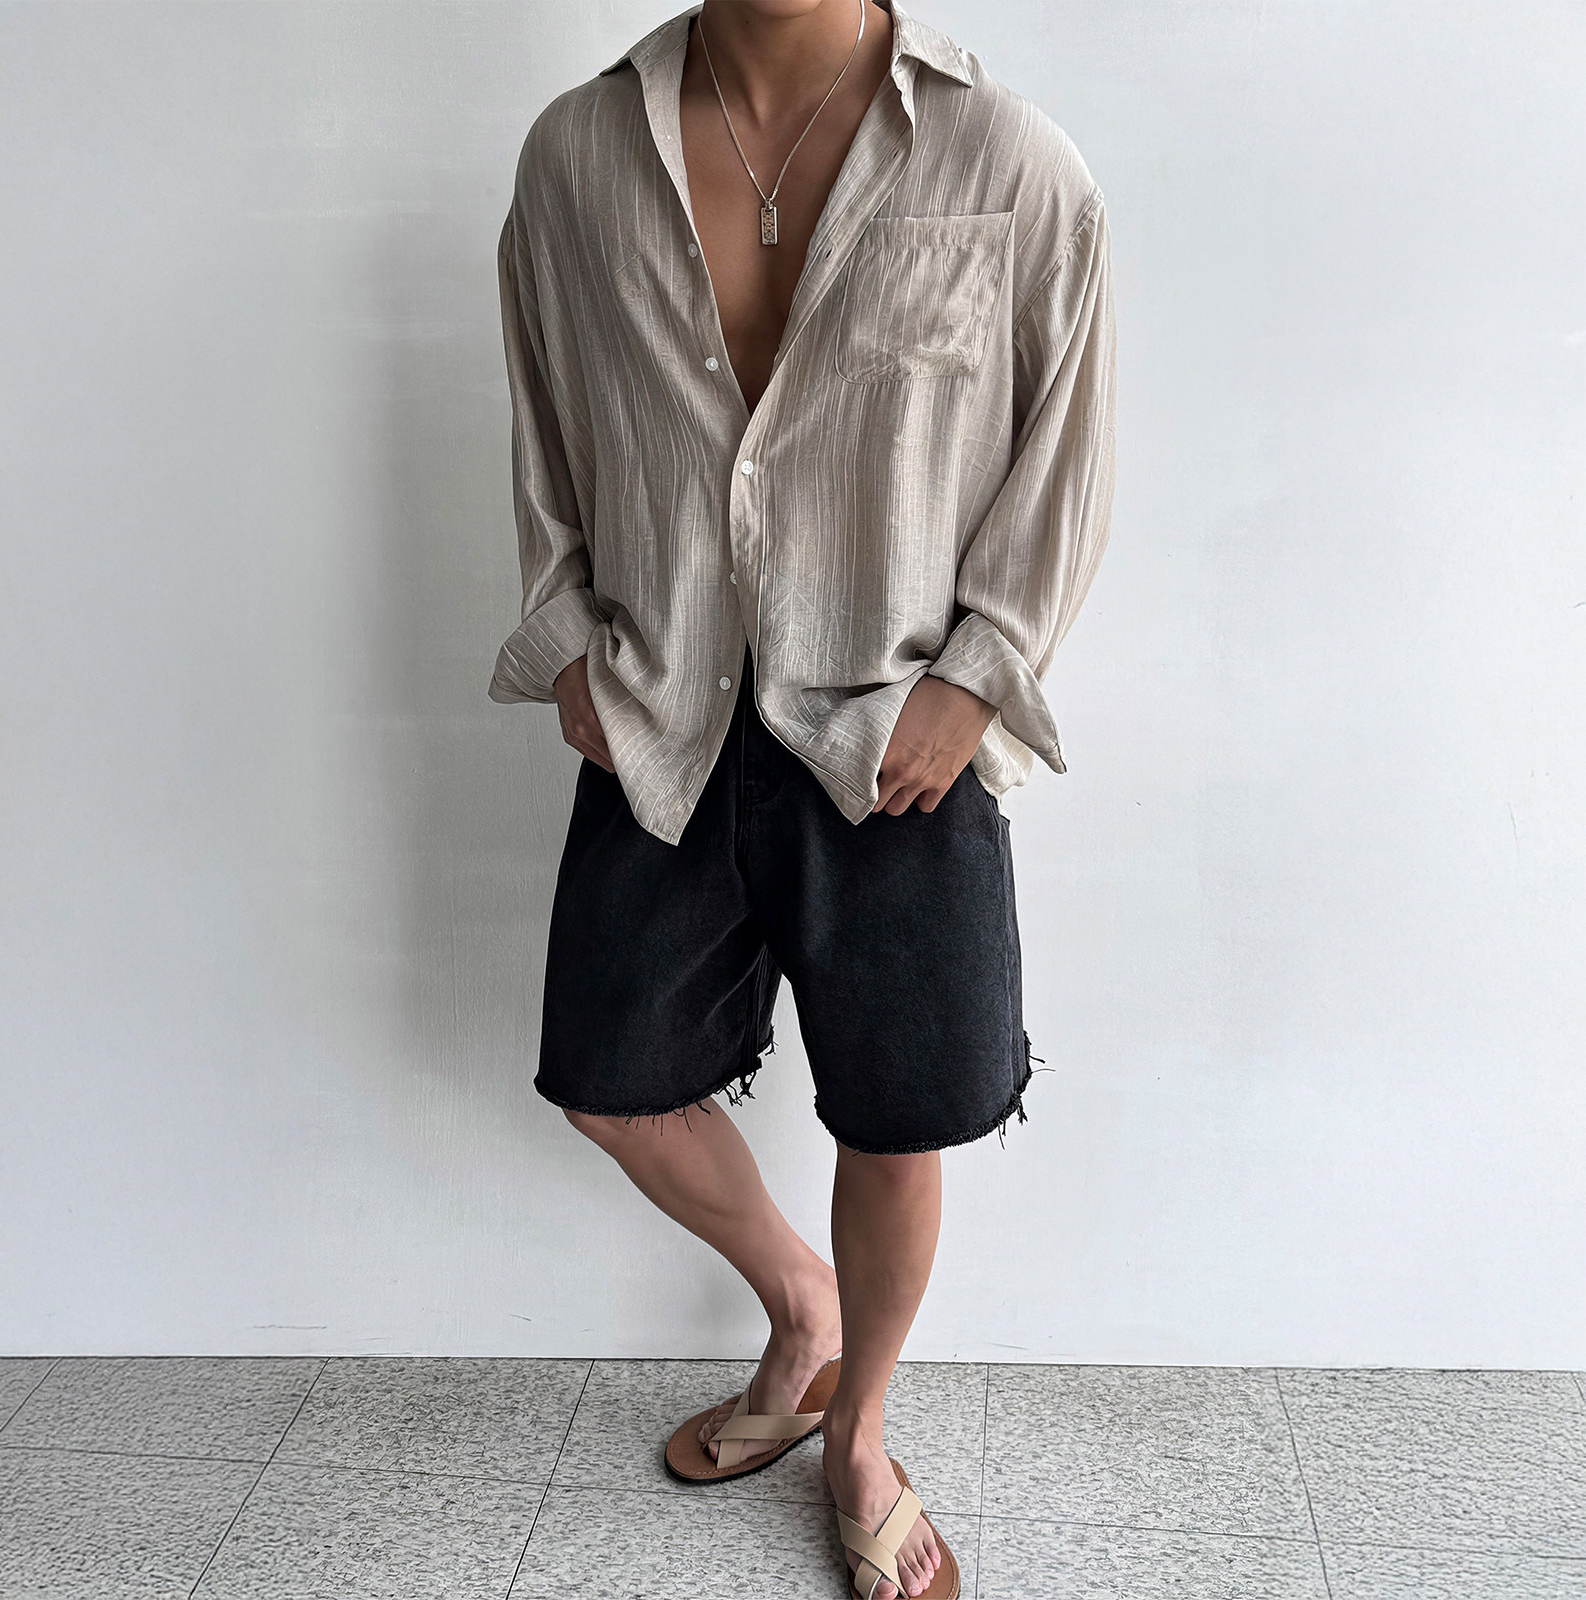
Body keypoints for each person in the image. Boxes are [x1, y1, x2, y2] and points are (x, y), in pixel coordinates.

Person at [487, 2, 1116, 1594]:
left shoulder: (1008, 161)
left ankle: (860, 1430)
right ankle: (800, 1306)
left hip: (896, 728)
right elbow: (543, 417)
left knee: (903, 1112)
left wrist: (980, 676)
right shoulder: (577, 154)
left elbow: (1067, 445)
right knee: (610, 1077)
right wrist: (564, 640)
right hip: (665, 711)